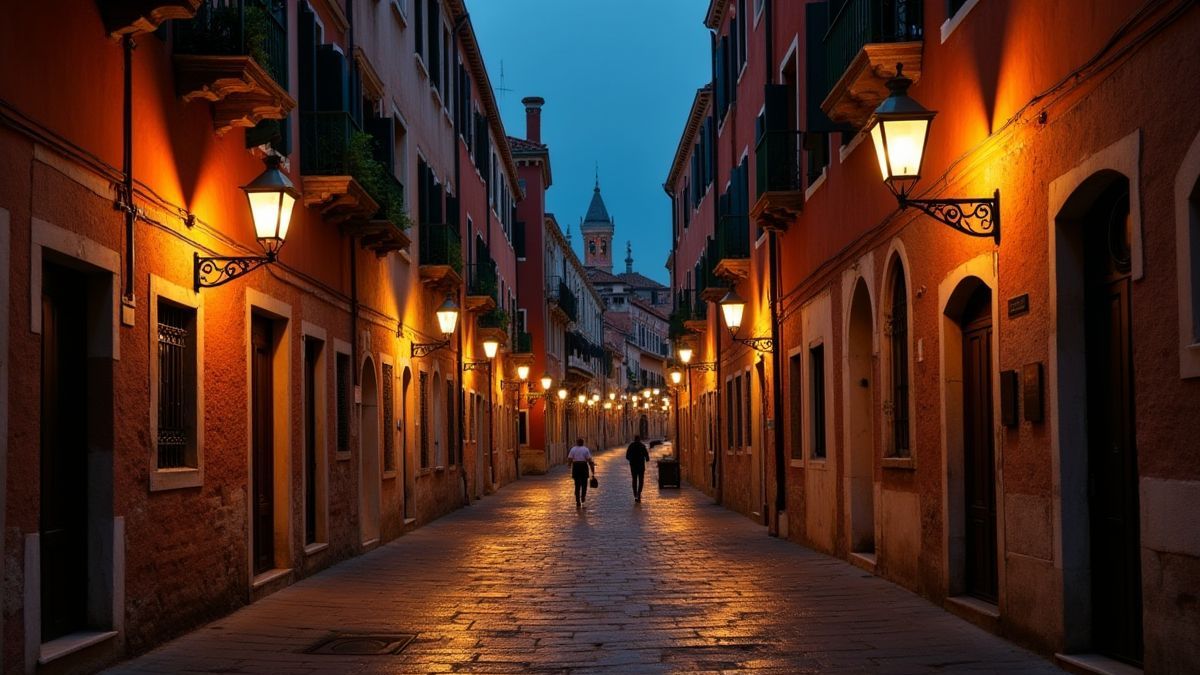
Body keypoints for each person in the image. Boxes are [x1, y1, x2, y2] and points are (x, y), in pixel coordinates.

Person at [566, 438, 595, 508]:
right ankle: (583, 497)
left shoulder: (573, 449)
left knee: (577, 485)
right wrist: (592, 471)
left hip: (576, 467)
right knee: (584, 484)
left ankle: (577, 501)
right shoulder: (585, 449)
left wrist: (569, 466)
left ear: (577, 442)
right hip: (583, 466)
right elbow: (589, 460)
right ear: (583, 443)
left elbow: (570, 458)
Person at [625, 434, 650, 502]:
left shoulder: (631, 446)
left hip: (633, 466)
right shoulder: (642, 446)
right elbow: (647, 458)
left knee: (634, 480)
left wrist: (631, 460)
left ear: (634, 439)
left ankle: (635, 495)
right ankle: (639, 494)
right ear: (639, 439)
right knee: (641, 481)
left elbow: (627, 456)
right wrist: (644, 458)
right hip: (641, 467)